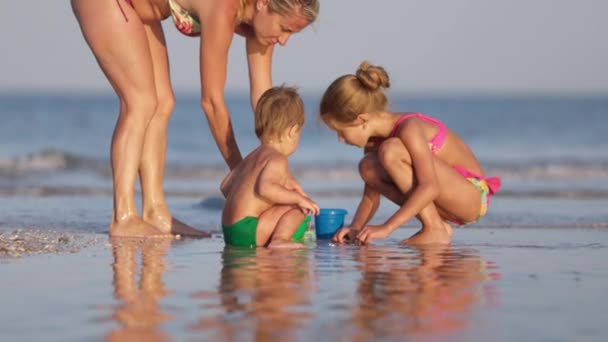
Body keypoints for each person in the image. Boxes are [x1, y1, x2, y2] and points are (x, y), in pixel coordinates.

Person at [70, 0, 320, 238]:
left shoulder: (262, 25)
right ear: (264, 2)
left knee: (163, 102)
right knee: (140, 102)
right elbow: (211, 102)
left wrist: (275, 169)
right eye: (284, 28)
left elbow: (266, 101)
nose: (284, 40)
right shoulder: (225, 8)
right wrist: (242, 172)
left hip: (141, 12)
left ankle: (155, 212)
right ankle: (122, 217)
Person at [319, 61, 501, 245]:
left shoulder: (409, 128)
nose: (340, 139)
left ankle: (434, 229)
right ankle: (437, 225)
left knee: (391, 151)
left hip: (472, 197)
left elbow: (430, 187)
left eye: (341, 132)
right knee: (367, 167)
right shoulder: (374, 143)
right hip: (446, 200)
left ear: (362, 120)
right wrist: (355, 228)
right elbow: (370, 197)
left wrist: (387, 227)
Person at [220, 86, 319, 248]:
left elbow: (225, 187)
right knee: (299, 210)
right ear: (293, 131)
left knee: (287, 204)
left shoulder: (252, 157)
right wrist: (300, 199)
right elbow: (265, 189)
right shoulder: (277, 159)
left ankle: (274, 238)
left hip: (229, 230)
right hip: (248, 231)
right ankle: (280, 240)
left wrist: (254, 202)